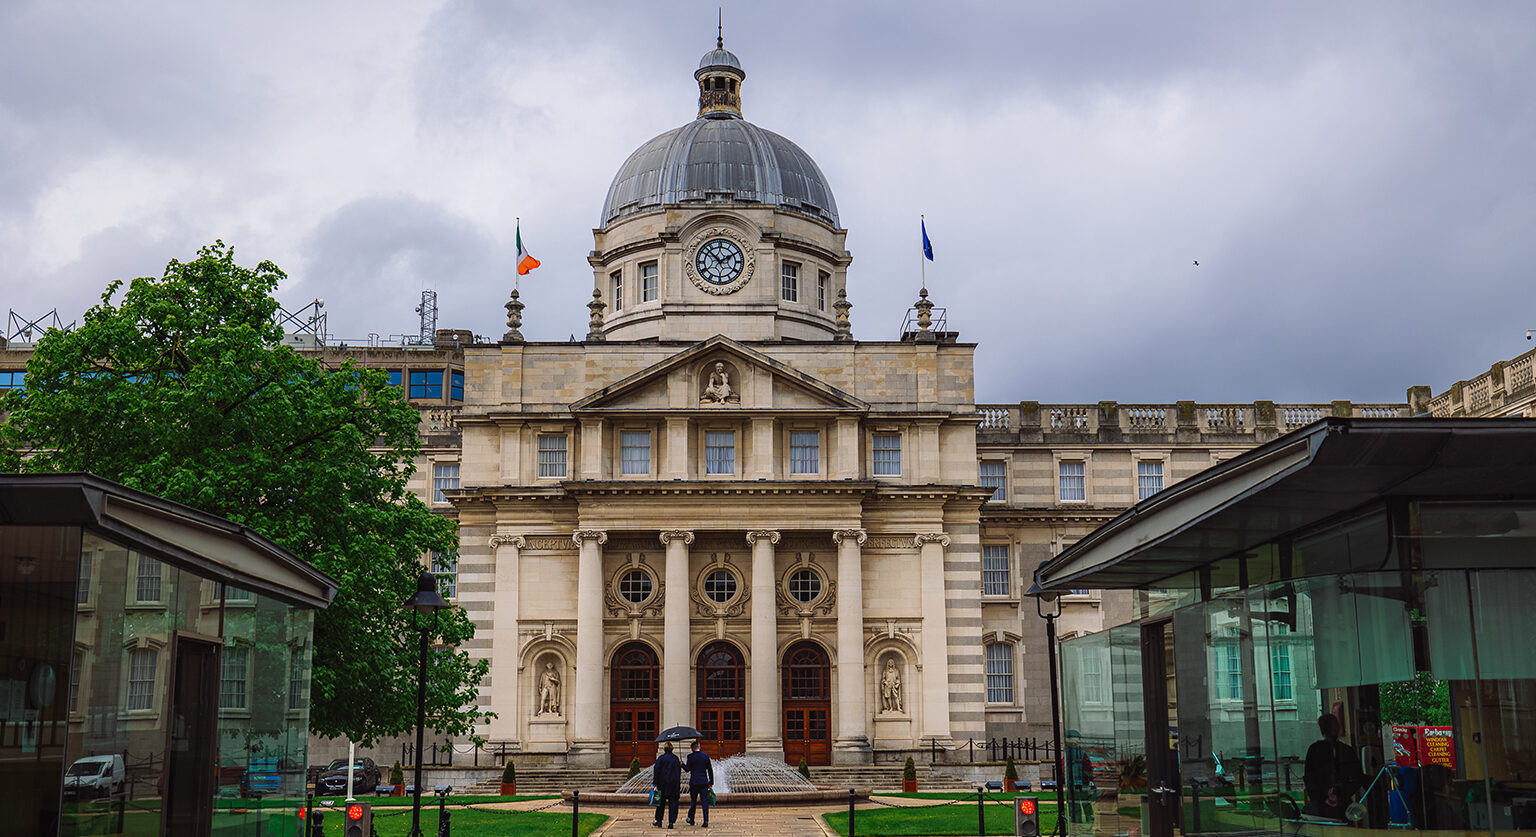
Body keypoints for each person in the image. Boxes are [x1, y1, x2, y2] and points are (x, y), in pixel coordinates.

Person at [1303, 713, 1363, 820]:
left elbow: (1309, 778)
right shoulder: (1347, 750)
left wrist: (1324, 796)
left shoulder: (1315, 749)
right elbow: (1356, 778)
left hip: (1322, 807)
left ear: (1322, 730)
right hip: (1343, 806)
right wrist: (1341, 795)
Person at [684, 740, 715, 826]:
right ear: (699, 747)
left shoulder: (690, 757)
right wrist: (711, 782)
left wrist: (682, 764)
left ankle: (692, 820)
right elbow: (710, 770)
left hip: (694, 782)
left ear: (692, 749)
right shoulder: (705, 756)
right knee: (704, 802)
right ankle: (705, 821)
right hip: (704, 782)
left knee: (693, 801)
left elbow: (687, 769)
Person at [653, 742, 682, 828]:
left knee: (660, 803)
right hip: (674, 784)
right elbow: (678, 772)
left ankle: (659, 821)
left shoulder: (661, 758)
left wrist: (655, 783)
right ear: (672, 749)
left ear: (664, 749)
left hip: (662, 784)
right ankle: (671, 822)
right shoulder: (676, 759)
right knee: (673, 803)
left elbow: (656, 771)